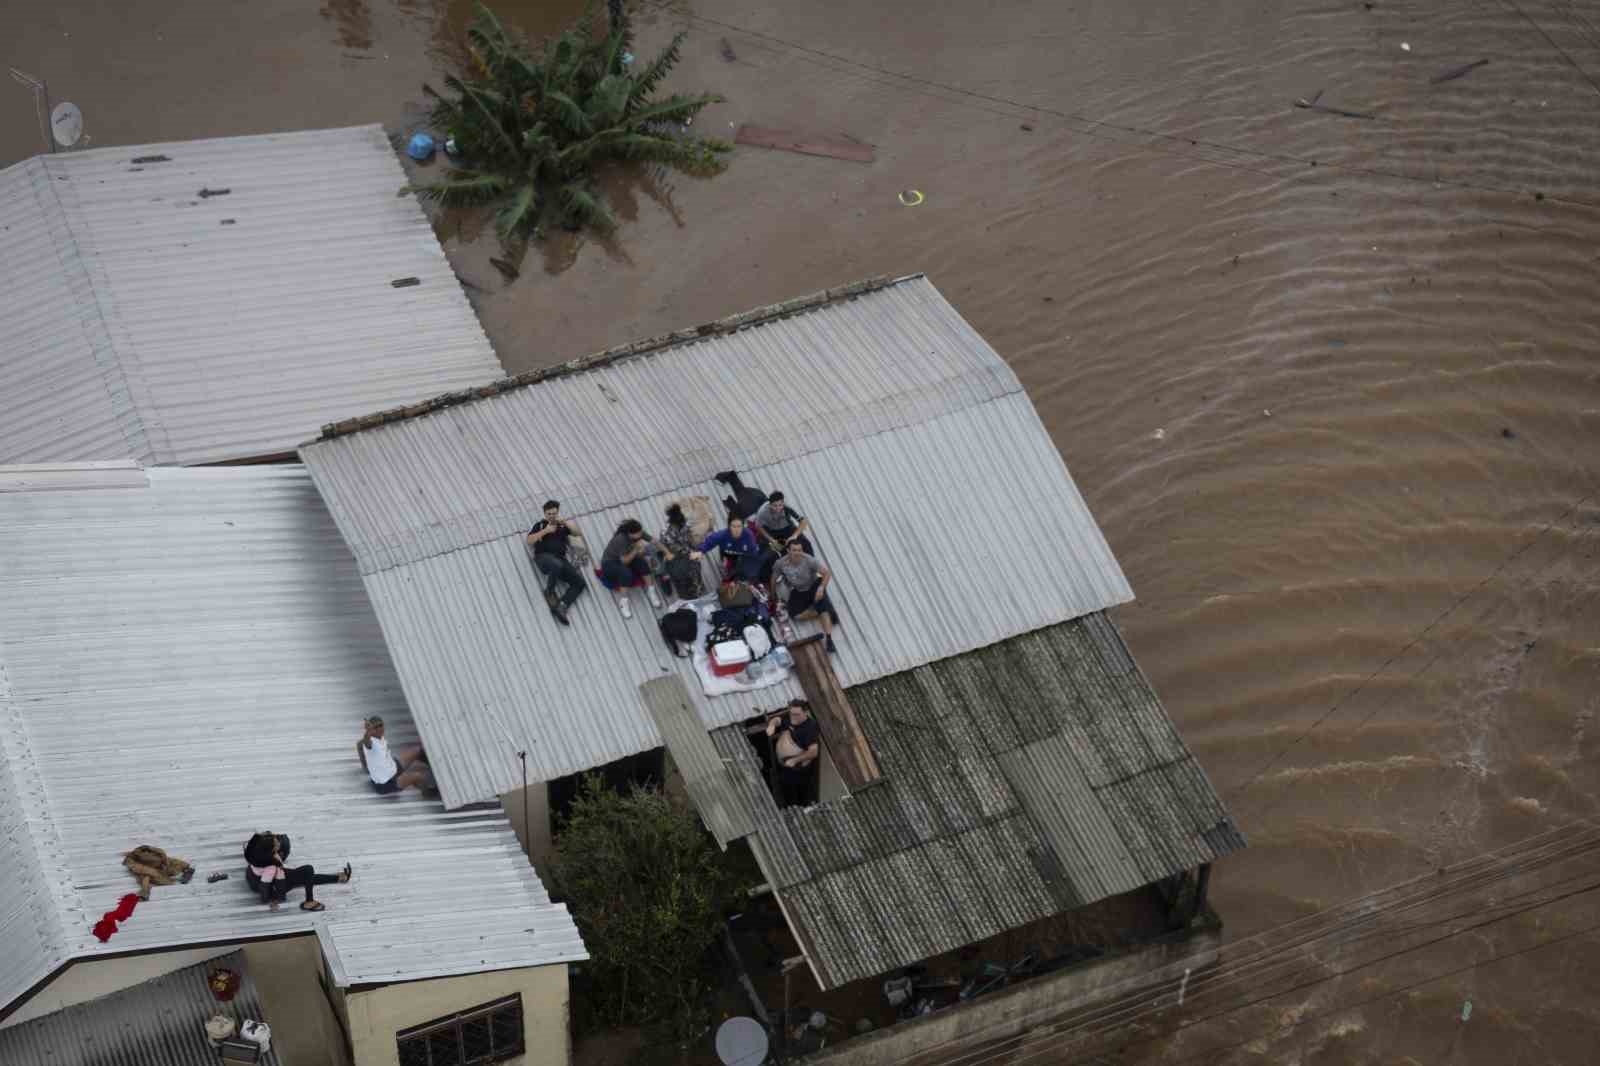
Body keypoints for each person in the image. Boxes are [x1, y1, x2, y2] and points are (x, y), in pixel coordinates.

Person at [242, 831, 351, 912]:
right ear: (271, 849)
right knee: (308, 870)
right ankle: (309, 902)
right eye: (276, 844)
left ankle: (339, 877)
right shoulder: (271, 867)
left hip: (258, 878)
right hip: (275, 886)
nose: (278, 843)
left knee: (306, 877)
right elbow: (264, 886)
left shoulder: (256, 854)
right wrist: (274, 900)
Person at [769, 539, 839, 653]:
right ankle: (822, 613)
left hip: (813, 586)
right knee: (795, 616)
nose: (797, 553)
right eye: (794, 550)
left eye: (800, 550)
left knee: (822, 608)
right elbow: (773, 578)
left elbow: (826, 573)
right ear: (788, 551)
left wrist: (821, 589)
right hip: (799, 590)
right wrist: (773, 595)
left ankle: (829, 639)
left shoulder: (809, 560)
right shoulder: (781, 563)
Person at [526, 500, 587, 626]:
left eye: (554, 513)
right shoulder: (540, 525)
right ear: (544, 513)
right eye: (549, 514)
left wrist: (565, 523)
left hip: (560, 559)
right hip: (543, 557)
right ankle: (550, 591)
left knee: (580, 583)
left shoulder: (562, 526)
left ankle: (562, 606)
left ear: (558, 512)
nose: (552, 516)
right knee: (556, 564)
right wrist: (545, 531)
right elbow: (529, 540)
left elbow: (578, 533)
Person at [601, 518, 664, 618]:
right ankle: (623, 603)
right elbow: (624, 561)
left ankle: (651, 592)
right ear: (630, 533)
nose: (640, 536)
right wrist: (636, 549)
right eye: (637, 534)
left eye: (640, 533)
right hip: (610, 563)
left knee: (643, 564)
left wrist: (667, 552)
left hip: (627, 557)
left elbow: (654, 541)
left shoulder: (638, 533)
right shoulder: (620, 539)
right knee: (626, 573)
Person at [357, 716, 433, 794]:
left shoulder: (380, 738)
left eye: (381, 725)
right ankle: (428, 792)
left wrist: (367, 766)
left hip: (392, 768)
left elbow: (359, 745)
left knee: (417, 751)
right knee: (418, 776)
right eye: (375, 727)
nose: (379, 728)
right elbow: (365, 743)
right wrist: (367, 733)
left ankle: (430, 763)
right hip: (386, 783)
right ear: (371, 730)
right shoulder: (370, 743)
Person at [766, 700, 821, 808]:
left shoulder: (810, 728)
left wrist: (794, 760)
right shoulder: (790, 717)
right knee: (786, 789)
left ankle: (802, 810)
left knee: (801, 795)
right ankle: (789, 808)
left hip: (799, 768)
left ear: (805, 713)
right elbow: (778, 720)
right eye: (791, 714)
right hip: (785, 764)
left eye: (797, 714)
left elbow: (813, 752)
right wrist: (772, 725)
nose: (793, 717)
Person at [692, 513, 763, 583]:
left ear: (743, 526)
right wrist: (700, 551)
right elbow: (710, 541)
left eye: (739, 526)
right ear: (729, 526)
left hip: (742, 556)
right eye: (733, 526)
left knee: (743, 572)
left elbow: (753, 555)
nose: (736, 530)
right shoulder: (722, 535)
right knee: (726, 566)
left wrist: (748, 574)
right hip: (727, 552)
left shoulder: (748, 536)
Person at [657, 503, 704, 600]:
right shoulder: (665, 533)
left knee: (696, 583)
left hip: (689, 561)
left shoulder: (684, 526)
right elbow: (675, 550)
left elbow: (691, 543)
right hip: (676, 563)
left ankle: (697, 593)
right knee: (685, 587)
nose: (682, 525)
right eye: (680, 524)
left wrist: (695, 550)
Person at [752, 491, 814, 555]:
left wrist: (795, 535)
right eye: (775, 506)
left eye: (780, 505)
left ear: (783, 503)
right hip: (773, 532)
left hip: (788, 529)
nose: (778, 508)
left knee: (806, 543)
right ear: (770, 504)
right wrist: (771, 540)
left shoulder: (787, 507)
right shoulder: (762, 512)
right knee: (773, 550)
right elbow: (758, 526)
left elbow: (803, 521)